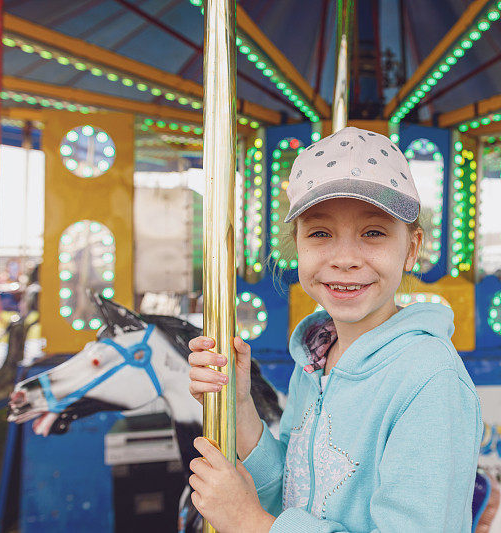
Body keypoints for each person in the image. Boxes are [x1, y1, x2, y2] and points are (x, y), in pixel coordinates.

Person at [187, 127, 482, 532]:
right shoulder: (315, 358)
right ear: (298, 244)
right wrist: (240, 407)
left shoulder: (429, 379)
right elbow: (291, 494)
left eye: (373, 233)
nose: (345, 258)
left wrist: (250, 523)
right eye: (321, 233)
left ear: (411, 248)